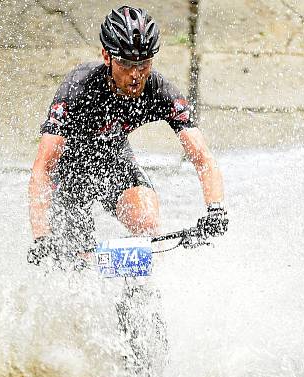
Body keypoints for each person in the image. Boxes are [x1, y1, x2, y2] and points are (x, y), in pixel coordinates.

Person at [27, 5, 228, 265]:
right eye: (125, 63)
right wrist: (41, 237)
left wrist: (216, 209)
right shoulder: (78, 88)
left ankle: (136, 299)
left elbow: (202, 156)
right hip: (68, 175)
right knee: (73, 262)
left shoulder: (159, 90)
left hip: (113, 163)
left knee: (147, 221)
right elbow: (43, 167)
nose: (135, 75)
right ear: (107, 56)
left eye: (143, 64)